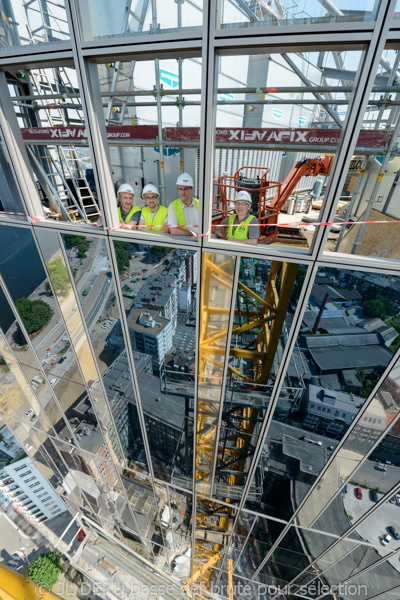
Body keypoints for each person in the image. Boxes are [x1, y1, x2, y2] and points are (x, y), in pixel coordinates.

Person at [167, 173, 199, 237]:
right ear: (178, 190)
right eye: (180, 189)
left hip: (201, 241)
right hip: (184, 242)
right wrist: (192, 233)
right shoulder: (173, 206)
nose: (183, 192)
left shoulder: (200, 204)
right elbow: (173, 230)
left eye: (186, 189)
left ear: (191, 189)